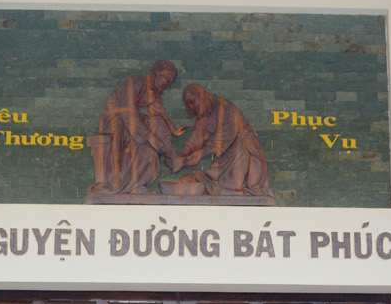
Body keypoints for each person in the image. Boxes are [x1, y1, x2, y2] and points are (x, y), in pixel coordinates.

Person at [84, 59, 187, 197]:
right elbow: (128, 112)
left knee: (157, 124)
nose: (168, 84)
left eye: (171, 82)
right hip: (115, 121)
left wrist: (173, 130)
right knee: (146, 148)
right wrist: (149, 137)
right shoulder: (136, 82)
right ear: (157, 73)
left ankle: (171, 160)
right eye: (167, 79)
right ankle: (124, 184)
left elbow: (161, 114)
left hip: (131, 123)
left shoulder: (153, 93)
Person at [173, 83, 274, 199]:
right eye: (188, 104)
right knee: (211, 183)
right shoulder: (205, 112)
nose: (191, 106)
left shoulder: (225, 108)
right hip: (225, 155)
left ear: (201, 96)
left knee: (230, 188)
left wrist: (200, 154)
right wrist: (180, 158)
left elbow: (224, 138)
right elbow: (196, 138)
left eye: (192, 101)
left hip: (240, 153)